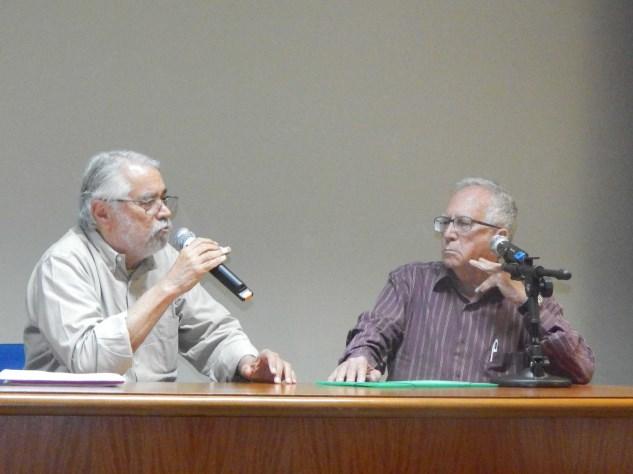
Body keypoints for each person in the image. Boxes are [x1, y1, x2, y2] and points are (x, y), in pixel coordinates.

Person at [24, 150, 295, 383]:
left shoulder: (164, 259)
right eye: (147, 202)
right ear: (102, 213)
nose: (164, 212)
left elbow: (214, 334)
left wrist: (247, 364)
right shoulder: (63, 264)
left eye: (163, 199)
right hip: (69, 430)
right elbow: (91, 365)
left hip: (153, 426)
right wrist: (169, 287)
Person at [329, 177, 594, 384]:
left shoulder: (527, 293)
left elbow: (581, 368)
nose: (448, 234)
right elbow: (373, 332)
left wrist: (526, 302)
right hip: (412, 440)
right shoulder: (409, 282)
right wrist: (360, 357)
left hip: (496, 443)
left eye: (463, 223)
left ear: (498, 237)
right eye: (446, 222)